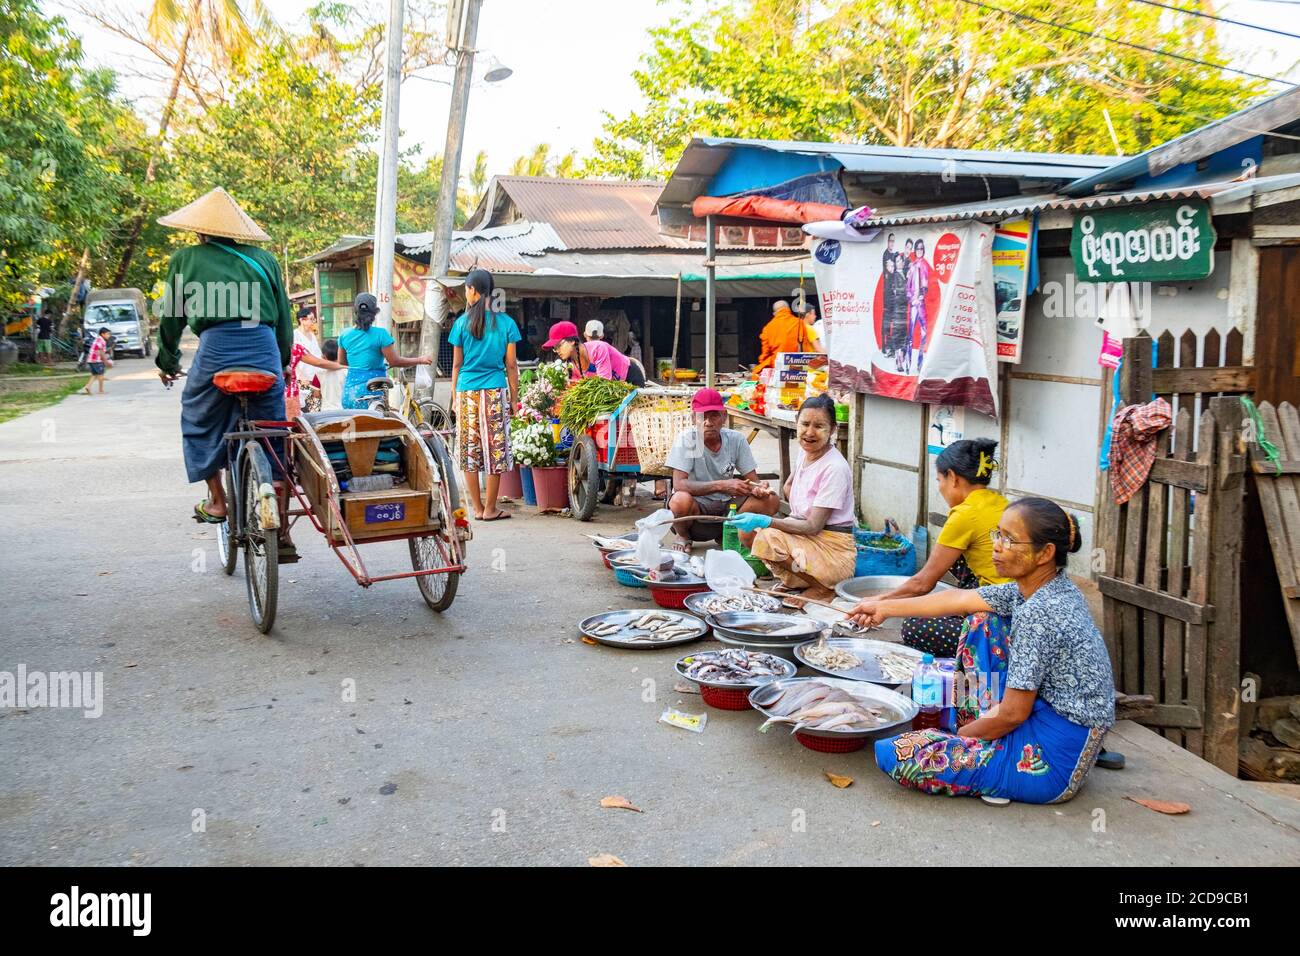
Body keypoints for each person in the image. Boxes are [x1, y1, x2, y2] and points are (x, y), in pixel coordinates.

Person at [850, 498, 1114, 805]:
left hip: (1054, 760)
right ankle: (982, 736)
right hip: (1040, 717)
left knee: (896, 753)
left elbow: (1014, 713)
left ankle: (987, 751)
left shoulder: (1041, 612)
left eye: (1010, 540)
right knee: (982, 622)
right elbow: (959, 600)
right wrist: (882, 607)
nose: (997, 547)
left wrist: (960, 737)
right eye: (998, 535)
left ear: (1045, 553)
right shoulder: (1038, 589)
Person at [153, 187, 294, 548]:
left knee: (197, 419)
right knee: (274, 432)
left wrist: (167, 360)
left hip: (216, 351)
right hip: (263, 348)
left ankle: (217, 501)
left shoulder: (186, 259)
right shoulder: (265, 260)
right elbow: (283, 320)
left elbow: (171, 317)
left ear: (199, 230)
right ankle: (283, 530)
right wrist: (282, 364)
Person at [875, 438, 1010, 656]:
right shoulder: (998, 501)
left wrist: (879, 601)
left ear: (953, 478)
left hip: (1002, 621)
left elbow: (922, 584)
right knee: (952, 555)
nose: (940, 488)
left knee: (914, 627)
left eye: (939, 480)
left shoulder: (965, 514)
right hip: (1011, 598)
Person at [727, 395, 855, 602]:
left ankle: (822, 587)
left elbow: (813, 526)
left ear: (832, 429)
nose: (810, 432)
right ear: (797, 422)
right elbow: (790, 488)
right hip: (809, 538)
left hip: (833, 550)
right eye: (805, 424)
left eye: (819, 426)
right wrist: (763, 490)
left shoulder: (835, 468)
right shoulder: (805, 453)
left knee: (768, 537)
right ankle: (796, 581)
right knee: (747, 532)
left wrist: (767, 521)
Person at [665, 388, 779, 550]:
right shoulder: (688, 440)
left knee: (772, 500)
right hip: (695, 511)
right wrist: (724, 485)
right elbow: (679, 485)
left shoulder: (736, 439)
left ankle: (728, 533)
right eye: (702, 416)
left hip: (728, 508)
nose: (708, 422)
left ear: (724, 417)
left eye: (714, 415)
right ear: (693, 419)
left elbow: (754, 481)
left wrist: (759, 489)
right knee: (679, 500)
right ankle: (683, 535)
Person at [449, 268, 521, 521]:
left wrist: (454, 397)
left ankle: (477, 509)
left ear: (472, 290)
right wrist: (514, 399)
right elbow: (511, 365)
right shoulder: (506, 323)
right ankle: (490, 509)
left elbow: (456, 365)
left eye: (466, 289)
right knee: (495, 449)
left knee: (470, 449)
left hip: (467, 391)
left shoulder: (460, 323)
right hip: (494, 389)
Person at [337, 294, 431, 409]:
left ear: (355, 311)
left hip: (350, 394)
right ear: (375, 312)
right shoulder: (381, 334)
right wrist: (420, 360)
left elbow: (342, 362)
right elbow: (395, 361)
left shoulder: (344, 335)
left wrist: (359, 366)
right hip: (372, 393)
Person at [544, 321, 645, 386]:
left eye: (558, 346)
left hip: (630, 377)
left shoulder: (598, 348)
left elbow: (604, 382)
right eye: (554, 348)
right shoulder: (573, 364)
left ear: (572, 341)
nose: (557, 350)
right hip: (615, 387)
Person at [755, 299, 813, 373]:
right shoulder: (799, 323)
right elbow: (803, 347)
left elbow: (765, 354)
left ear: (774, 313)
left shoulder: (768, 327)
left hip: (776, 366)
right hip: (796, 366)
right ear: (788, 309)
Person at [82, 327, 113, 394]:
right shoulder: (102, 341)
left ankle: (88, 386)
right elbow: (101, 353)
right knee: (101, 375)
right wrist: (106, 362)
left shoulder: (97, 339)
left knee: (94, 374)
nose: (109, 336)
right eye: (107, 334)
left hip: (91, 360)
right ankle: (101, 390)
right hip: (97, 360)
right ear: (102, 334)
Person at [316, 338, 345, 411]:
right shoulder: (346, 371)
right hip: (344, 410)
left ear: (323, 356)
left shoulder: (318, 372)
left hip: (326, 410)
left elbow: (316, 394)